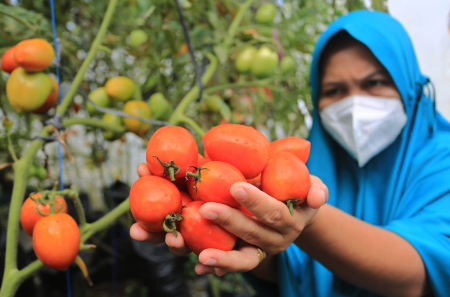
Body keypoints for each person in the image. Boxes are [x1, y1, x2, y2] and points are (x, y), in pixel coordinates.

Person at [130, 10, 450, 297]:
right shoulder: (304, 162)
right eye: (334, 90)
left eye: (375, 83)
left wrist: (304, 223)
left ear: (409, 84)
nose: (354, 106)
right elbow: (291, 269)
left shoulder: (442, 160)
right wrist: (247, 239)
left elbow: (424, 271)